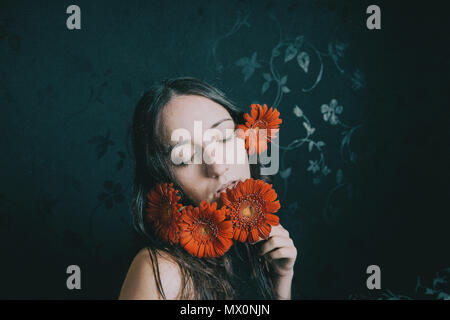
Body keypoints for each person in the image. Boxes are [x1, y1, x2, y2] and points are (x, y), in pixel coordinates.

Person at [119, 77, 297, 300]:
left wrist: (281, 284)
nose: (217, 166)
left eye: (223, 138)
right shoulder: (161, 272)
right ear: (162, 180)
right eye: (185, 157)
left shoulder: (257, 252)